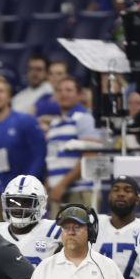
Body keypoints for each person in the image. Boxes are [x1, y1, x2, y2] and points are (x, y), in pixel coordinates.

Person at [44, 77, 102, 208]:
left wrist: (62, 185)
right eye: (59, 90)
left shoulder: (84, 119)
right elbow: (55, 161)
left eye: (69, 90)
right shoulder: (54, 124)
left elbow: (90, 157)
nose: (63, 94)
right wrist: (49, 186)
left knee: (82, 229)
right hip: (58, 194)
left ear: (79, 95)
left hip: (80, 192)